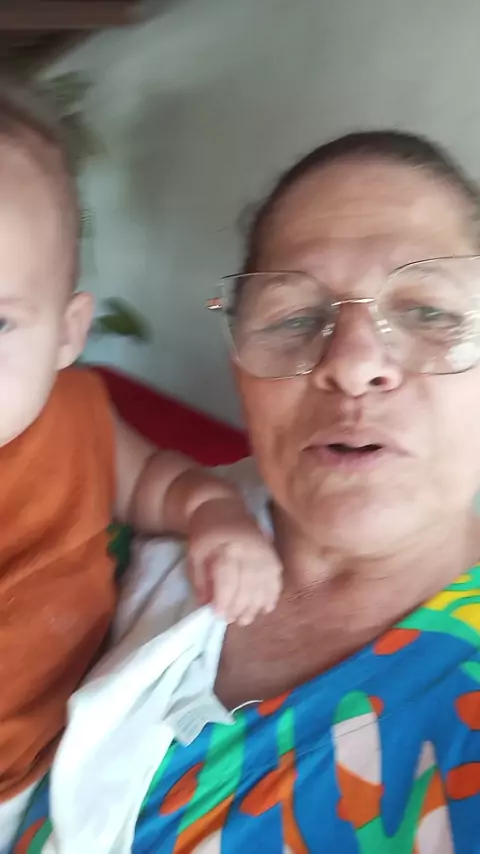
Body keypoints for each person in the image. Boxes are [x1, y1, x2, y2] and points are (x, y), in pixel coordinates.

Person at [14, 128, 480, 854]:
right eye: (296, 318)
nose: (353, 362)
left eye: (429, 312)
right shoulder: (127, 520)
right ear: (240, 368)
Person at [0, 85, 283, 854]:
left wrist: (216, 518)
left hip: (40, 773)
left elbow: (163, 480)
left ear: (68, 333)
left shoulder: (79, 419)